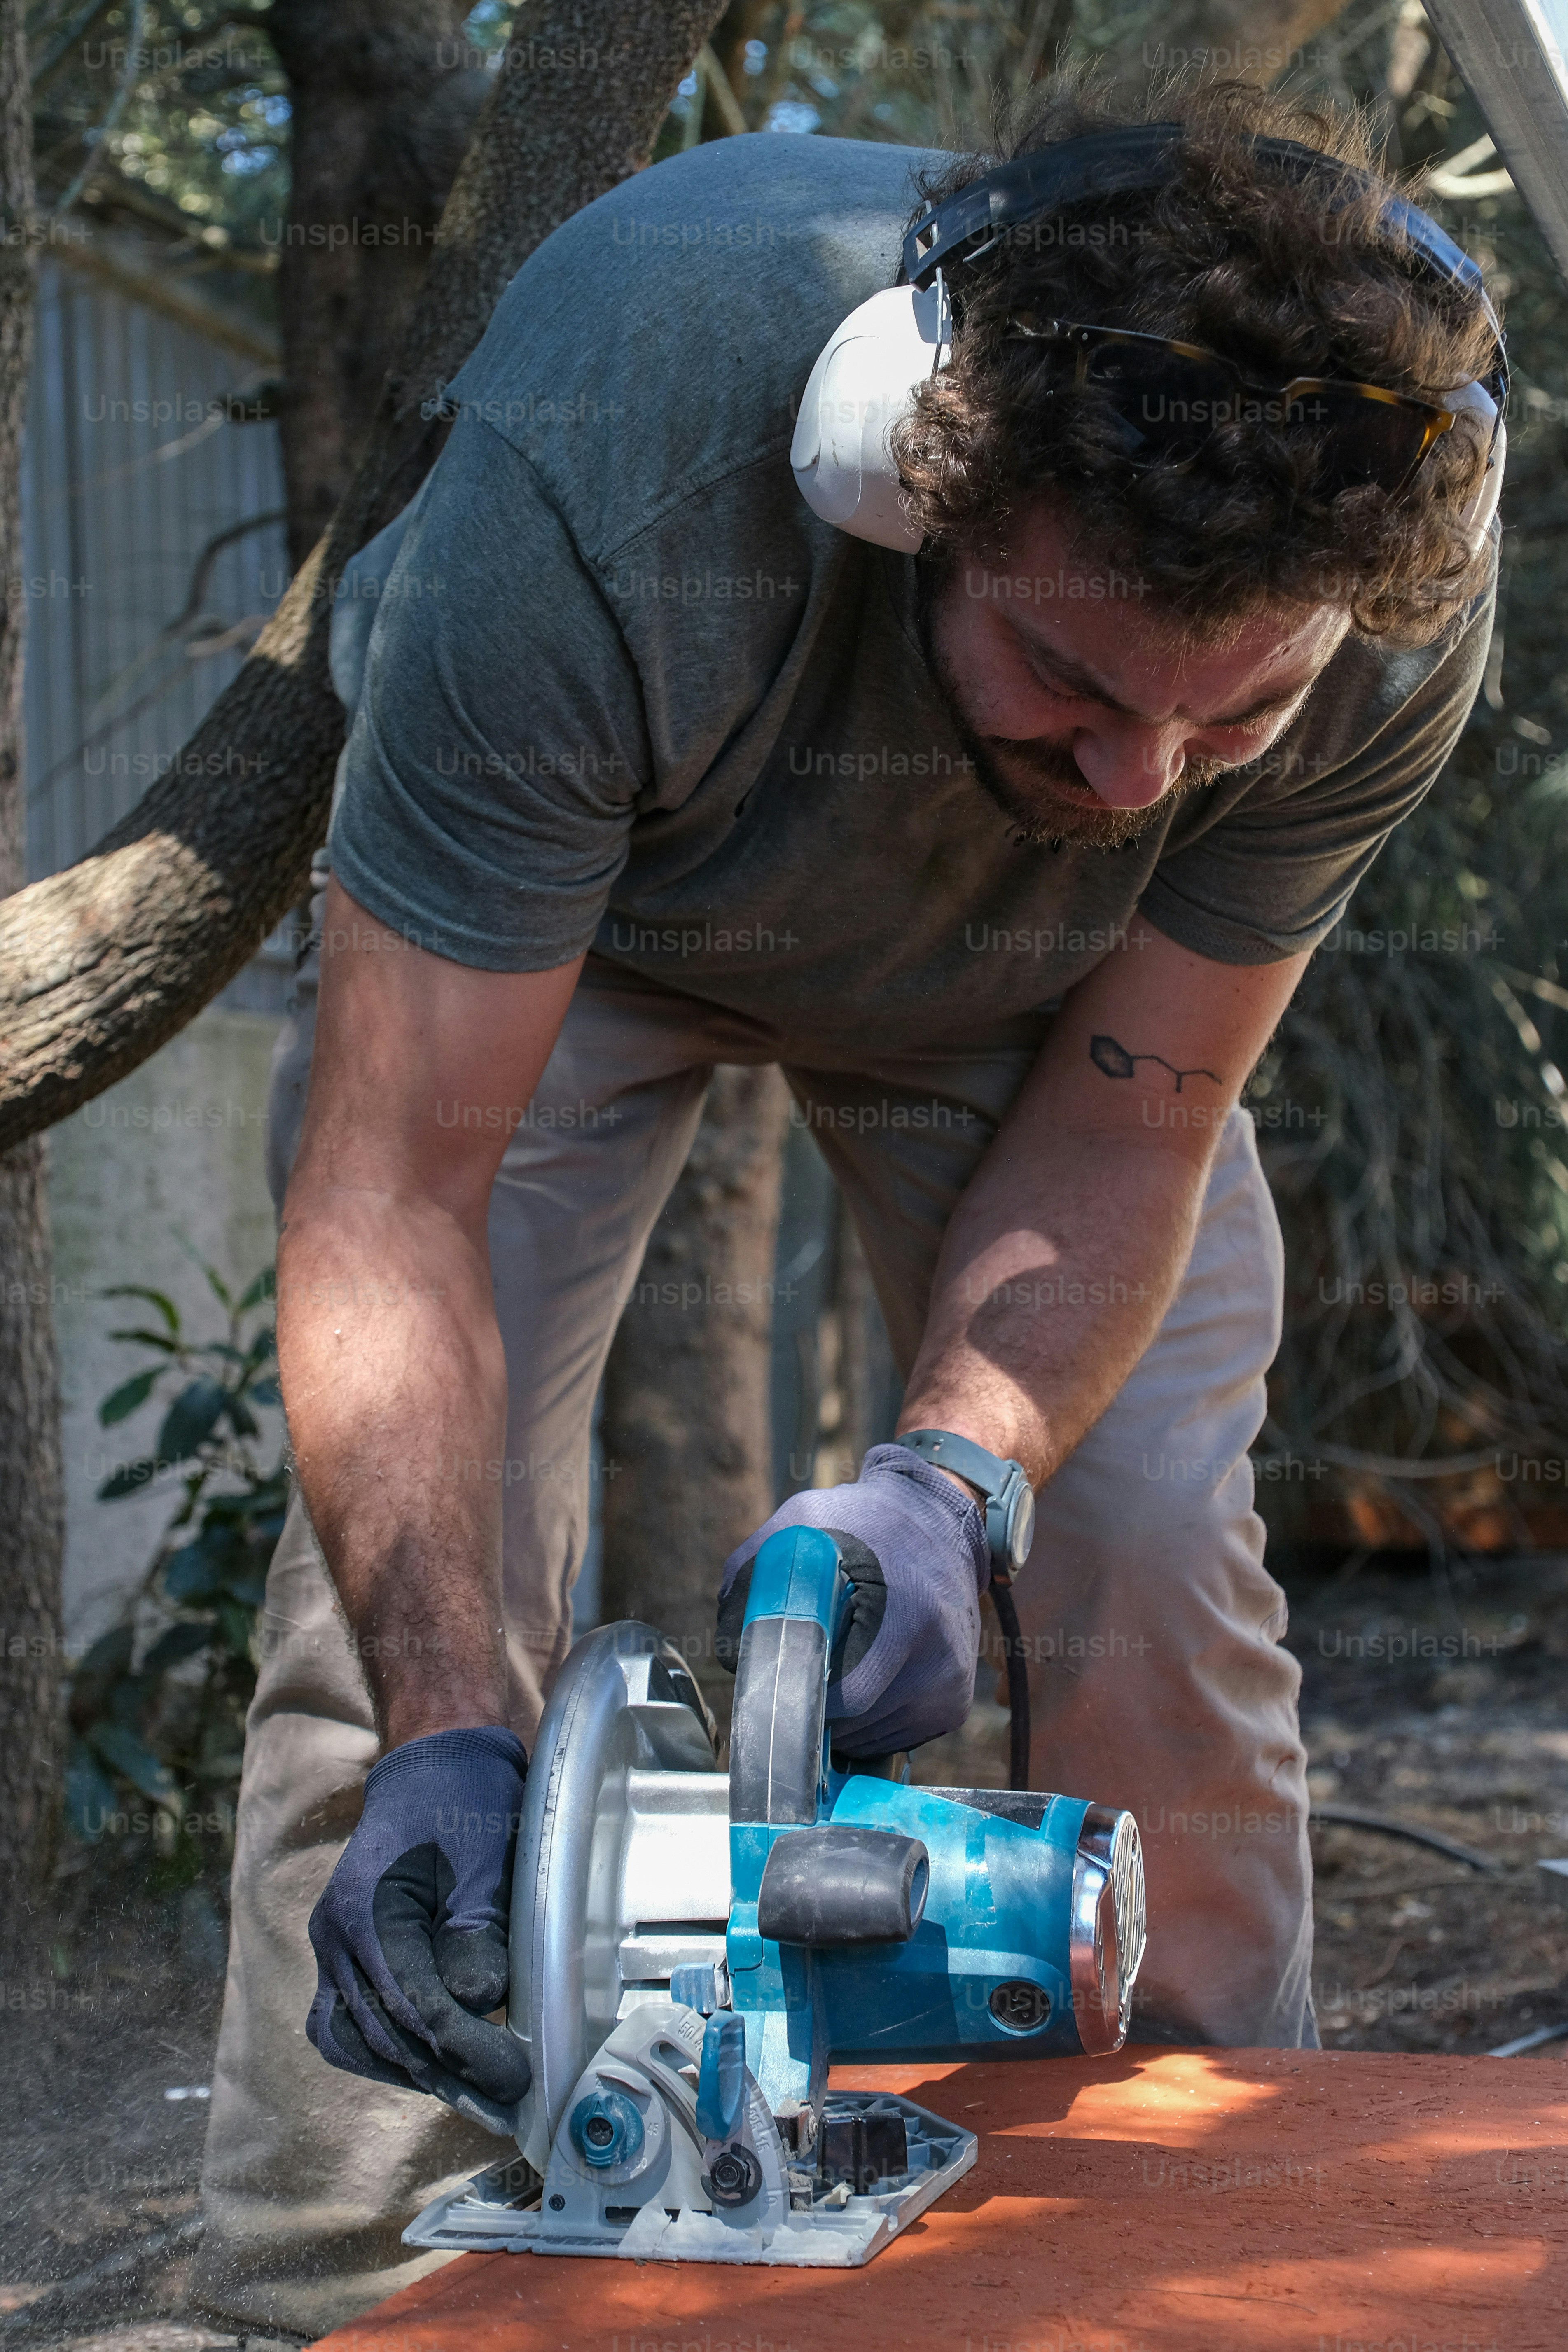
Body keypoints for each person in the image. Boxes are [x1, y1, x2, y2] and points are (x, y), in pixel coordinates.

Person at [194, 70, 1502, 2333]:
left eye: (1229, 721)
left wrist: (953, 1478)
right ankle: (342, 2279)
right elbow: (399, 1185)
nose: (1140, 778)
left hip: (1046, 991)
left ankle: (1225, 2212)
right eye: (1074, 677)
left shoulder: (1383, 621)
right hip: (579, 925)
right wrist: (451, 1727)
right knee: (396, 1595)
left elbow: (1141, 1113)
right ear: (908, 478)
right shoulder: (607, 478)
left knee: (1144, 1541)